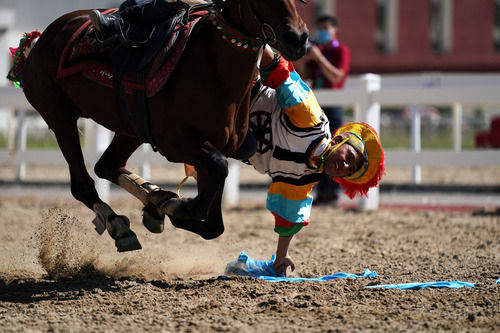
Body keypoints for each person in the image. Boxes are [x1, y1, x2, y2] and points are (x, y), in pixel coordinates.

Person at [234, 46, 383, 276]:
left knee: (240, 148)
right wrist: (257, 43)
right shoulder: (309, 118)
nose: (343, 166)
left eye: (348, 170)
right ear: (339, 140)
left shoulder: (305, 180)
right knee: (246, 146)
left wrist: (281, 256)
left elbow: (289, 214)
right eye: (348, 158)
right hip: (241, 90)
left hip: (229, 140)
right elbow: (281, 71)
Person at [303, 15, 351, 206]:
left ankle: (333, 192)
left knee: (335, 149)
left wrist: (319, 58)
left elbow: (338, 77)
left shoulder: (341, 51)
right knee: (318, 149)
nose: (322, 32)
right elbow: (305, 74)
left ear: (335, 31)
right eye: (320, 28)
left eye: (326, 28)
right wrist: (301, 54)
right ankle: (321, 192)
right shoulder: (317, 51)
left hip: (334, 105)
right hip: (317, 104)